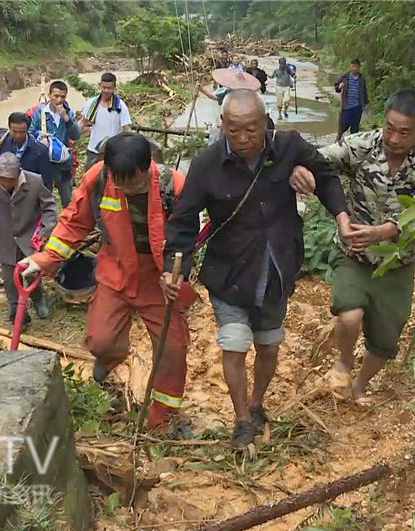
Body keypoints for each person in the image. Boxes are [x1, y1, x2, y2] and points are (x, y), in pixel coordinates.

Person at [161, 89, 353, 448]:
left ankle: (258, 403)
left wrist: (340, 216)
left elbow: (325, 176)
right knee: (233, 344)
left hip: (276, 268)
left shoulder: (288, 147)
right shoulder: (206, 164)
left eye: (252, 129)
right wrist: (174, 267)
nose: (244, 138)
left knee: (268, 345)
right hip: (229, 272)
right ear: (222, 126)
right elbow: (183, 220)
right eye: (234, 130)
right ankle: (242, 420)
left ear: (266, 123)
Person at [18, 133, 195, 431]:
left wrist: (174, 272)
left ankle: (163, 417)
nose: (127, 189)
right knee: (101, 339)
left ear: (148, 166)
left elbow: (188, 235)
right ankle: (108, 360)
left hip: (159, 281)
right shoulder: (98, 179)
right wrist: (43, 259)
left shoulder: (173, 184)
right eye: (122, 184)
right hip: (116, 272)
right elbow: (74, 223)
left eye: (135, 184)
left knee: (173, 351)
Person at [289, 89, 415, 405]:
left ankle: (360, 386)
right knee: (350, 315)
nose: (394, 138)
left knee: (385, 340)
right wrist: (299, 169)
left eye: (405, 132)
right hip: (353, 253)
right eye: (390, 128)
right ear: (382, 121)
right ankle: (344, 361)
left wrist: (388, 230)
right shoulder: (362, 145)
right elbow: (319, 159)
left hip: (397, 262)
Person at [0, 152, 57, 327]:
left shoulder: (34, 181)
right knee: (9, 280)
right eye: (2, 179)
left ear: (18, 173)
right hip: (4, 241)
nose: (6, 183)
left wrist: (45, 230)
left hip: (29, 239)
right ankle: (16, 312)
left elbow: (49, 207)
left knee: (32, 275)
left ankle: (38, 299)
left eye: (10, 179)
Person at [30, 80, 82, 208]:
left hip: (64, 164)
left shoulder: (68, 112)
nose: (59, 100)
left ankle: (69, 224)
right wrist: (39, 138)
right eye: (56, 96)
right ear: (49, 95)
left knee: (68, 199)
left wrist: (66, 119)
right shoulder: (40, 113)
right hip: (45, 163)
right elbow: (30, 133)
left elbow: (76, 135)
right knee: (44, 199)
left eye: (62, 97)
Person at [0, 112, 56, 190]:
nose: (18, 135)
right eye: (14, 132)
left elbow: (46, 182)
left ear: (27, 130)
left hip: (28, 194)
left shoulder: (40, 151)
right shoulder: (0, 144)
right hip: (3, 193)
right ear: (9, 129)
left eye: (22, 132)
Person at [81, 72, 133, 170]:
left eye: (109, 88)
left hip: (113, 152)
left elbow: (126, 128)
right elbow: (83, 122)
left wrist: (130, 146)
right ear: (99, 85)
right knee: (89, 179)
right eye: (104, 87)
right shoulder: (92, 103)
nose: (106, 90)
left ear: (114, 88)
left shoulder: (120, 106)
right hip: (93, 150)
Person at [334, 59, 369, 143]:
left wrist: (366, 103)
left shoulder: (361, 79)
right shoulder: (345, 76)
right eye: (353, 66)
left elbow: (364, 91)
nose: (354, 68)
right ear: (350, 66)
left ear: (359, 68)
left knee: (355, 127)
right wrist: (339, 86)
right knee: (343, 125)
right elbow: (336, 87)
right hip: (346, 106)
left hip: (357, 107)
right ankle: (338, 139)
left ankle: (352, 143)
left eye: (356, 67)